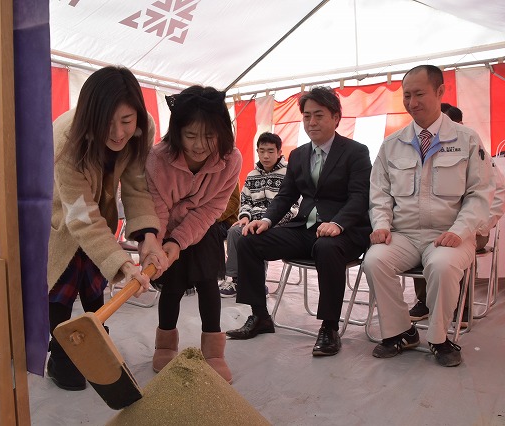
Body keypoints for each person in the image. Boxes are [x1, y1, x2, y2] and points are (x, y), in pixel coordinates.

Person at [46, 66, 169, 391]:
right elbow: (81, 217)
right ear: (90, 118)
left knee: (95, 282)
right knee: (62, 280)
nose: (118, 133)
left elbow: (136, 186)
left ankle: (94, 341)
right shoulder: (66, 139)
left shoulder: (144, 128)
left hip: (101, 207)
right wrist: (126, 265)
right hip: (66, 208)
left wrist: (148, 237)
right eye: (107, 124)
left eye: (127, 121)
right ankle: (60, 353)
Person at [225, 86, 372, 357]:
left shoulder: (356, 152)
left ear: (336, 117)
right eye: (306, 116)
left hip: (344, 232)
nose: (311, 122)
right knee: (248, 239)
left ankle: (329, 327)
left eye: (319, 115)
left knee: (327, 248)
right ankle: (260, 316)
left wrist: (338, 224)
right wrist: (267, 220)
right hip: (305, 227)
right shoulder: (299, 154)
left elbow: (360, 197)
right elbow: (287, 195)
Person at [363, 65, 493, 367]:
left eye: (419, 94)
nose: (412, 102)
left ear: (440, 91)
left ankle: (440, 339)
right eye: (407, 95)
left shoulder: (467, 139)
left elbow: (480, 193)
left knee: (443, 267)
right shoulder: (392, 144)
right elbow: (379, 192)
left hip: (449, 234)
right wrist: (381, 225)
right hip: (404, 235)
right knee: (374, 260)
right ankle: (401, 332)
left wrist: (460, 231)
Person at [145, 85, 242, 382]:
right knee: (172, 286)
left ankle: (214, 350)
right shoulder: (157, 159)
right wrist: (161, 246)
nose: (200, 145)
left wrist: (181, 240)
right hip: (164, 229)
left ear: (222, 133)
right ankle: (165, 344)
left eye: (209, 136)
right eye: (190, 136)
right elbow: (157, 209)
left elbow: (211, 209)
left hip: (202, 228)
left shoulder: (231, 160)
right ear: (177, 132)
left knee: (207, 284)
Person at [409, 104, 505, 324]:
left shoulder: (474, 150)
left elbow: (498, 191)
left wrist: (480, 225)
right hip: (435, 227)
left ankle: (461, 307)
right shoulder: (422, 151)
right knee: (420, 237)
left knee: (456, 245)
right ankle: (424, 301)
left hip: (472, 228)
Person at [219, 132, 299, 297]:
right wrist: (245, 217)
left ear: (279, 152)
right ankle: (234, 279)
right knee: (234, 231)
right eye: (262, 151)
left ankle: (257, 282)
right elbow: (245, 201)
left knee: (257, 235)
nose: (265, 155)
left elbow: (293, 206)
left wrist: (269, 221)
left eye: (270, 151)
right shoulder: (251, 175)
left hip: (278, 224)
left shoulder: (289, 174)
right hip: (252, 221)